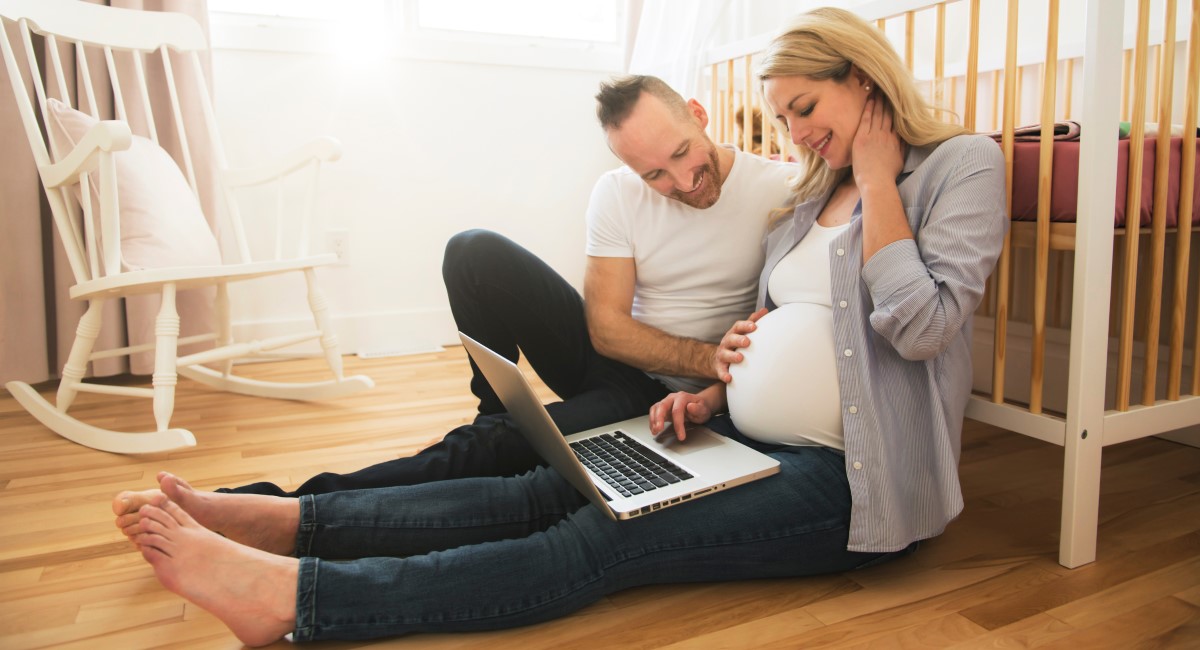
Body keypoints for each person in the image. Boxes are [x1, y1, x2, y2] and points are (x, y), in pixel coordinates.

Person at [112, 7, 1007, 645]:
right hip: (730, 426)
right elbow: (783, 321)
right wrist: (709, 388)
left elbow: (921, 327)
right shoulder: (809, 194)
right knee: (540, 488)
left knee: (600, 535)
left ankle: (301, 598)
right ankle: (288, 523)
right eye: (783, 118)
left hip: (851, 483)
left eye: (807, 108)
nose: (797, 133)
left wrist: (885, 176)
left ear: (864, 78)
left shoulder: (958, 164)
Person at [226, 74, 797, 497]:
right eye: (653, 174)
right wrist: (705, 354)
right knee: (473, 250)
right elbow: (607, 330)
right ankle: (495, 411)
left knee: (497, 449)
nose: (679, 182)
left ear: (698, 114)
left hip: (676, 400)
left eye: (681, 155)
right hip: (618, 363)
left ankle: (294, 502)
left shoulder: (781, 190)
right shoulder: (618, 192)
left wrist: (711, 378)